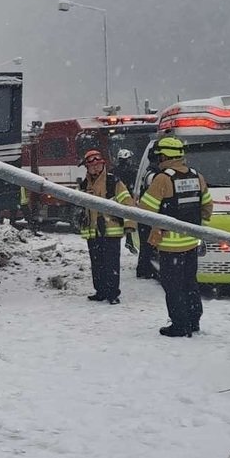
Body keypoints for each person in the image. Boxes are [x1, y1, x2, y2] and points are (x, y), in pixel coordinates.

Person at [139, 136, 213, 336]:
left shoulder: (163, 178)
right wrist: (199, 228)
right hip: (191, 243)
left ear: (163, 156)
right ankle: (193, 320)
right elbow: (207, 207)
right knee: (190, 282)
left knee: (173, 286)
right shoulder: (197, 176)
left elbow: (145, 210)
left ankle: (179, 325)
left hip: (170, 245)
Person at [76, 149, 135, 304]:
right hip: (93, 231)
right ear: (87, 167)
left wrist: (129, 225)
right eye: (92, 166)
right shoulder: (83, 185)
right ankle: (100, 291)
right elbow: (79, 207)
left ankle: (113, 293)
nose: (95, 168)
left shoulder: (113, 182)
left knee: (111, 264)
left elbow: (128, 203)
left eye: (98, 165)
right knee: (97, 264)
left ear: (103, 164)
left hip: (111, 230)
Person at [134, 146, 162, 279]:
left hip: (145, 214)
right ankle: (145, 269)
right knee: (147, 245)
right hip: (148, 215)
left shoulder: (149, 172)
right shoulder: (153, 175)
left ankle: (144, 268)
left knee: (146, 244)